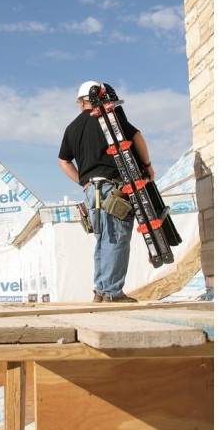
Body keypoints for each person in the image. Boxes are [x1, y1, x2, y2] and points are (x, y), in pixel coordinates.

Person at [57, 81, 155, 303]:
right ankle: (112, 293)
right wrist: (147, 166)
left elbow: (63, 161)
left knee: (103, 239)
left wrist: (83, 182)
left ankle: (101, 291)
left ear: (81, 102)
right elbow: (137, 136)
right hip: (113, 188)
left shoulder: (72, 128)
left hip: (91, 192)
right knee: (116, 238)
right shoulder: (108, 118)